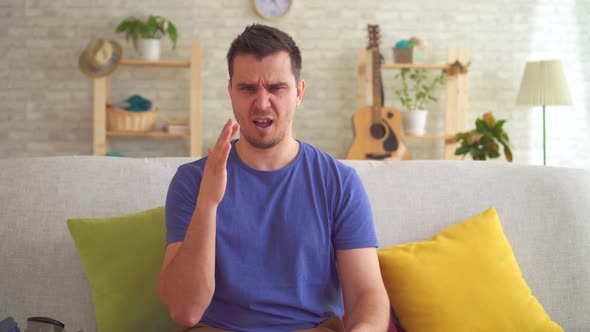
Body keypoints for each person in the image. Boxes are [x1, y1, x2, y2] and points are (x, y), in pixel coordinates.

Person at [158, 24, 390, 332]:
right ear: (231, 92)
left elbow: (366, 295)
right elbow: (185, 312)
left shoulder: (339, 182)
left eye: (276, 88)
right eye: (248, 88)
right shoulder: (192, 181)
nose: (262, 102)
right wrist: (208, 204)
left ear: (298, 92)